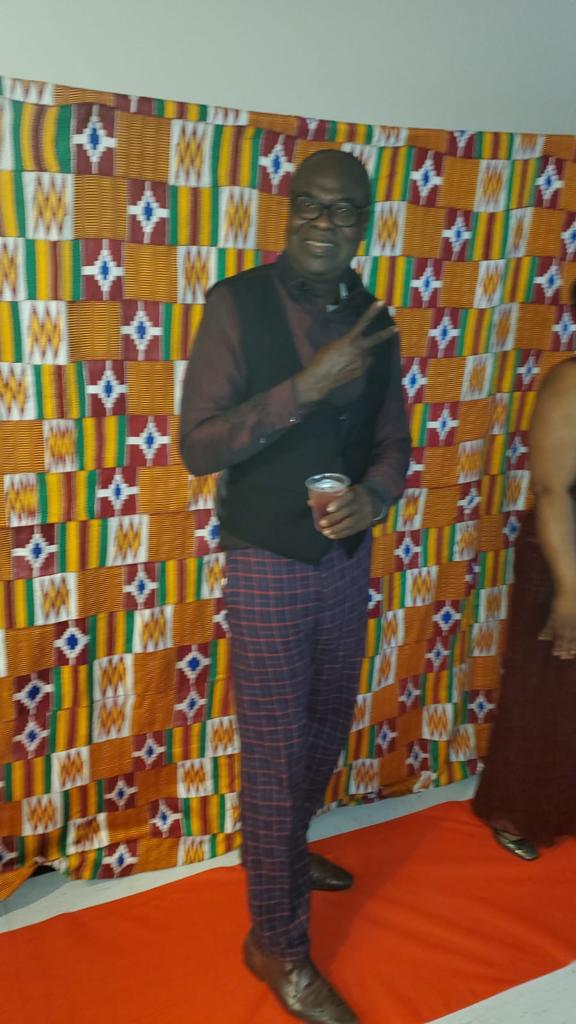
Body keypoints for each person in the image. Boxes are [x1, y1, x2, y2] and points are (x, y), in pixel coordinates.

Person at [180, 149, 410, 1024]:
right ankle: (276, 943)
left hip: (344, 558)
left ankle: (280, 852)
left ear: (364, 224)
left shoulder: (376, 320)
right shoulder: (234, 304)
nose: (324, 222)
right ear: (288, 212)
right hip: (267, 556)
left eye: (343, 210)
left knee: (325, 721)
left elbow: (393, 442)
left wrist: (374, 497)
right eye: (310, 205)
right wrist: (306, 388)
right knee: (275, 753)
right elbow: (197, 446)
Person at [473, 333, 576, 860]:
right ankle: (514, 812)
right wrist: (569, 591)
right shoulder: (569, 382)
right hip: (563, 556)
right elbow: (552, 490)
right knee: (544, 694)